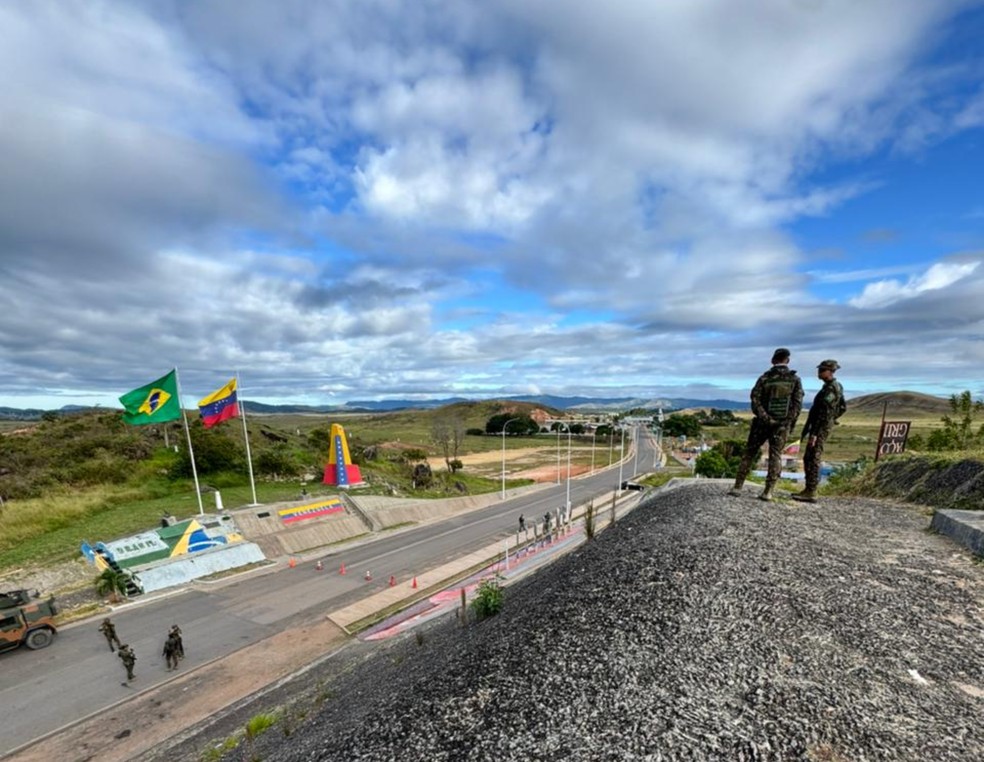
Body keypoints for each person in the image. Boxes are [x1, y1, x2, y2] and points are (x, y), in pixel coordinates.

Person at [728, 347, 804, 501]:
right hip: (782, 425)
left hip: (762, 424)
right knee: (775, 456)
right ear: (787, 360)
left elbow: (755, 400)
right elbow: (797, 405)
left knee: (750, 453)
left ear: (773, 360)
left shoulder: (764, 378)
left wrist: (766, 418)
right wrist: (785, 421)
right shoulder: (794, 380)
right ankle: (768, 491)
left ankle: (737, 487)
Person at [793, 360, 847, 503]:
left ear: (830, 371)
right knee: (809, 457)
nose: (819, 372)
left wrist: (816, 433)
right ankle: (808, 489)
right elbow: (842, 408)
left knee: (812, 457)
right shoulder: (832, 387)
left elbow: (825, 413)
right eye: (820, 370)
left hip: (819, 429)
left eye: (822, 370)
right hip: (820, 427)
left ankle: (811, 491)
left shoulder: (831, 388)